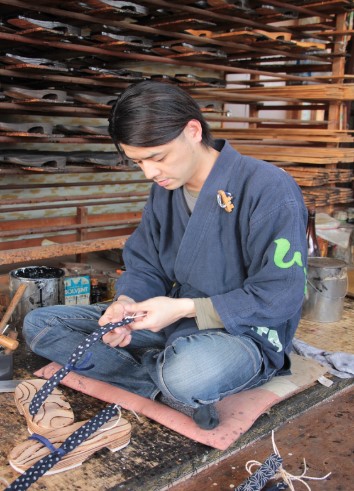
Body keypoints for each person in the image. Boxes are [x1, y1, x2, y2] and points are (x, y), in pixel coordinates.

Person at [23, 81, 308, 430]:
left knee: (189, 372)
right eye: (138, 162)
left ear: (192, 130)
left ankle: (167, 375)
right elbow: (146, 264)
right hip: (171, 320)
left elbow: (283, 293)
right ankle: (162, 387)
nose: (150, 173)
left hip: (243, 333)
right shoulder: (166, 191)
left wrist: (188, 308)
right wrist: (126, 303)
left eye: (157, 158)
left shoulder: (268, 187)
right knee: (41, 324)